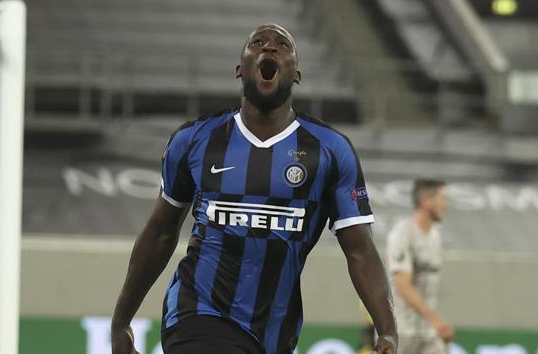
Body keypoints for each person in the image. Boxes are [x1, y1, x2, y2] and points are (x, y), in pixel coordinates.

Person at [111, 24, 397, 354]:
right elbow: (160, 232)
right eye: (257, 43)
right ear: (240, 69)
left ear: (297, 75)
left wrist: (387, 331)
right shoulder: (196, 141)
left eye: (282, 44)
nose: (269, 48)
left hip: (275, 333)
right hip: (197, 313)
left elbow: (360, 249)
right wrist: (121, 322)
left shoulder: (330, 151)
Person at [386, 179, 453, 354]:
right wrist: (436, 320)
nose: (446, 205)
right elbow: (402, 285)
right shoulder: (403, 233)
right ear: (426, 201)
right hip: (401, 331)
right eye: (442, 198)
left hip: (427, 333)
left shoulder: (435, 237)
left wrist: (432, 324)